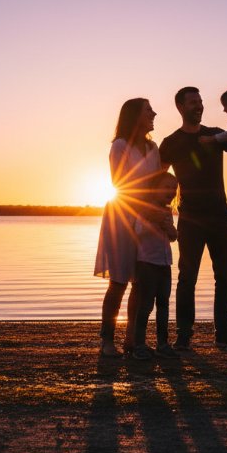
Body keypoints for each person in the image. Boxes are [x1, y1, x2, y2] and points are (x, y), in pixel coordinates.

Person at [158, 87, 227, 350]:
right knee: (187, 277)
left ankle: (223, 332)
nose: (199, 106)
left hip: (220, 217)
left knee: (225, 276)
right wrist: (161, 209)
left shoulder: (216, 135)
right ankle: (183, 334)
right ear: (180, 107)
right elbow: (155, 178)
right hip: (190, 218)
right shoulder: (170, 143)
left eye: (200, 101)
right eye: (193, 102)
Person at [94, 98, 162, 358]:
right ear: (135, 116)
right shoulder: (120, 146)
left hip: (147, 219)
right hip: (122, 217)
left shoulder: (153, 147)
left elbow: (155, 184)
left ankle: (133, 339)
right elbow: (121, 182)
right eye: (148, 110)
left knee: (142, 282)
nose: (154, 113)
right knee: (119, 281)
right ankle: (106, 340)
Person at [128, 172, 180, 360]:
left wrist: (170, 229)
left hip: (165, 264)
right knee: (146, 305)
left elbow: (173, 237)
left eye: (174, 188)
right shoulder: (144, 210)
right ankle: (139, 345)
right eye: (166, 187)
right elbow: (137, 232)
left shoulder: (167, 211)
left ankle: (162, 343)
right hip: (147, 264)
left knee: (164, 304)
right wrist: (152, 221)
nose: (171, 191)